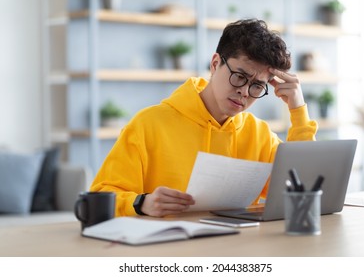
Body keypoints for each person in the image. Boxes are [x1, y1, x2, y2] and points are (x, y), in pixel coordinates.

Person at [90, 18, 318, 217]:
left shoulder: (259, 135)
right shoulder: (148, 124)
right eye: (240, 76)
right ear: (215, 63)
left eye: (257, 86)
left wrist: (298, 111)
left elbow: (302, 192)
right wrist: (141, 203)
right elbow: (99, 199)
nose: (245, 92)